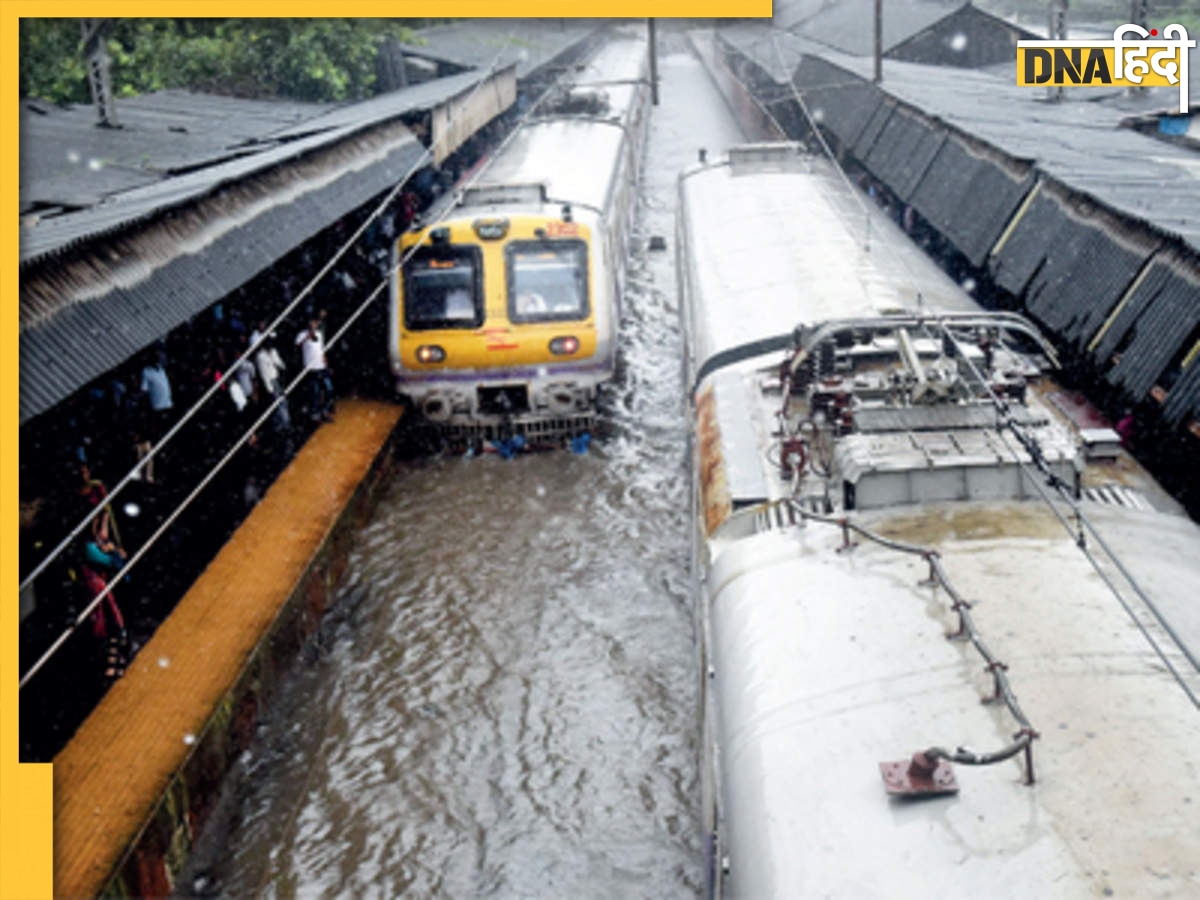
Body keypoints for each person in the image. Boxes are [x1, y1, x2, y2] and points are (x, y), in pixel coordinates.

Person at [296, 316, 334, 422]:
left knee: (329, 389)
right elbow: (297, 345)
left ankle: (325, 411)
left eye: (315, 323)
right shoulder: (302, 334)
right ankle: (315, 413)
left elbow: (321, 349)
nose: (313, 325)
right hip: (311, 368)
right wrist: (308, 336)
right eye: (312, 322)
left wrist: (326, 364)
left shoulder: (319, 334)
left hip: (321, 366)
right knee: (315, 392)